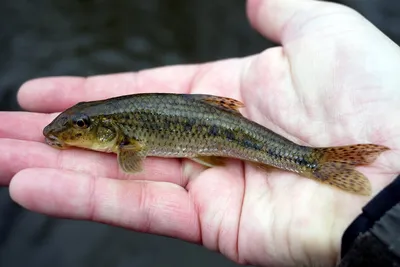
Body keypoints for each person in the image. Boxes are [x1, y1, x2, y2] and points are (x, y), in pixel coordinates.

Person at [0, 0, 399, 266]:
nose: (67, 132)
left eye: (77, 127)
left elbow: (132, 162)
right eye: (72, 126)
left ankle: (313, 162)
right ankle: (315, 162)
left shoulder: (126, 143)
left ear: (107, 131)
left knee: (297, 158)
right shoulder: (113, 125)